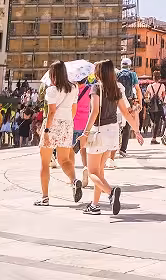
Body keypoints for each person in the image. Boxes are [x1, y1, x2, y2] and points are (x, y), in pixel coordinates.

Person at [82, 60, 141, 216]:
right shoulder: (116, 89)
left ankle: (110, 192)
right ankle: (94, 205)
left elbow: (94, 112)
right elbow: (126, 113)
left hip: (98, 131)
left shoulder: (96, 88)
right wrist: (137, 130)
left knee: (92, 172)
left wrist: (85, 133)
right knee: (100, 171)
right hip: (113, 133)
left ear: (99, 73)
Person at [35, 62, 82, 206]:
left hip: (53, 124)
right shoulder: (74, 88)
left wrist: (47, 131)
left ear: (53, 74)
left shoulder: (52, 90)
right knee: (64, 160)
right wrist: (68, 123)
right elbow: (74, 109)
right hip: (67, 124)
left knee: (45, 162)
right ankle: (74, 180)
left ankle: (45, 197)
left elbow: (52, 112)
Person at [117, 57, 140, 157]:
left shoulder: (117, 74)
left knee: (116, 122)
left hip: (118, 99)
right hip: (129, 100)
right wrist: (139, 101)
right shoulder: (132, 74)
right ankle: (123, 149)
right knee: (127, 123)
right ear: (130, 66)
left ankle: (115, 146)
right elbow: (138, 89)